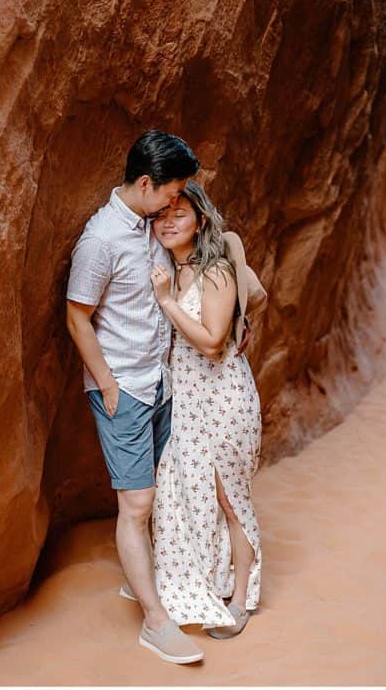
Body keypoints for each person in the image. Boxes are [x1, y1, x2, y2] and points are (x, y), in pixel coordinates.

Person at [65, 130, 205, 664]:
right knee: (137, 502)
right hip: (122, 386)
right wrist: (106, 384)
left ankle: (143, 579)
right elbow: (77, 316)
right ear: (146, 183)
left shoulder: (154, 226)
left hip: (160, 382)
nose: (176, 202)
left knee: (163, 490)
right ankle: (155, 621)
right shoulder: (101, 239)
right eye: (171, 191)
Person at [148, 180, 263, 639]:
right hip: (189, 404)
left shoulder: (214, 270)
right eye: (161, 215)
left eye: (180, 213)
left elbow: (214, 343)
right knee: (186, 492)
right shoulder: (168, 269)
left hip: (223, 399)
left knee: (229, 499)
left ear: (199, 220)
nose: (169, 221)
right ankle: (205, 583)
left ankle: (241, 599)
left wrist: (168, 303)